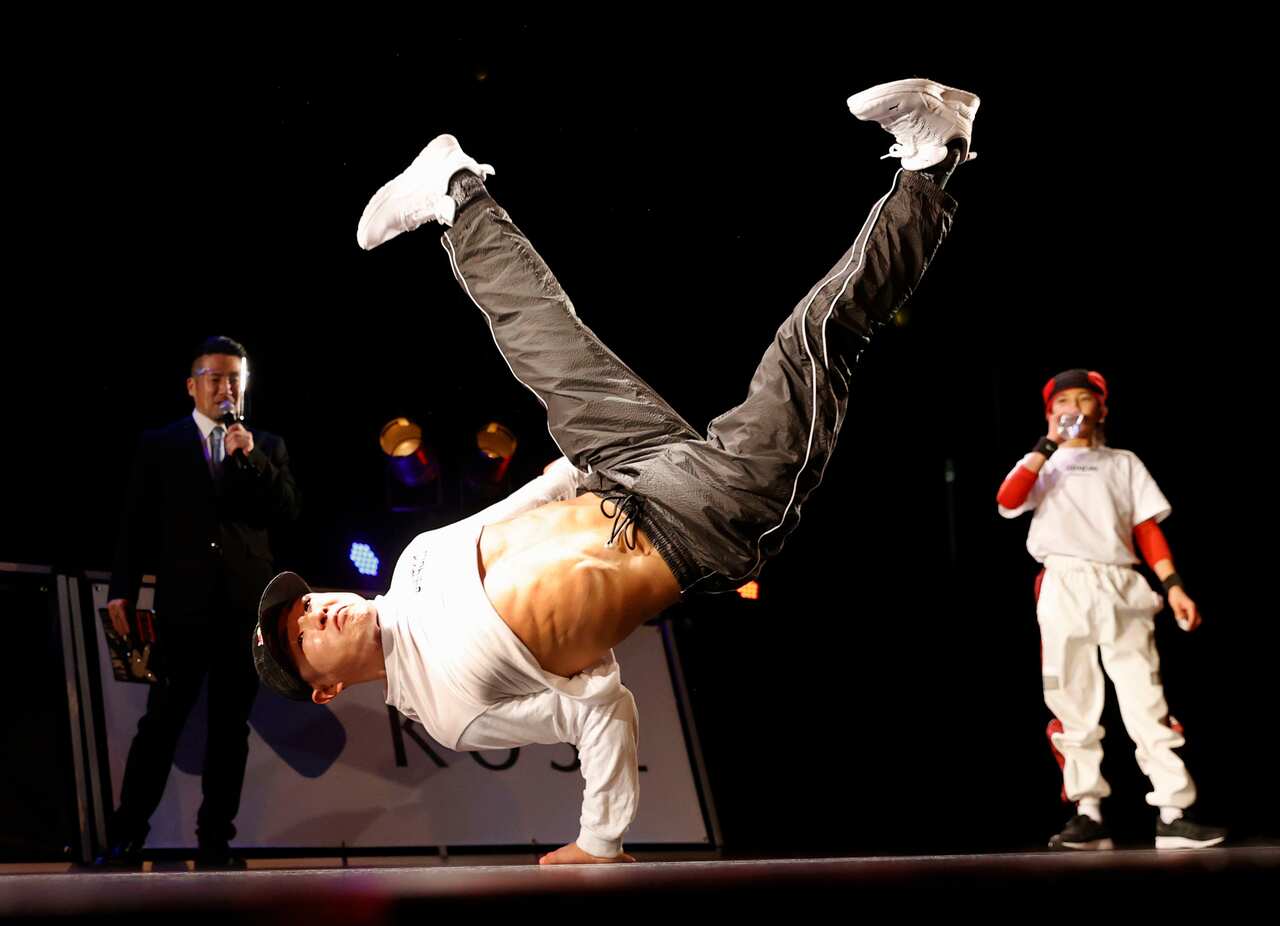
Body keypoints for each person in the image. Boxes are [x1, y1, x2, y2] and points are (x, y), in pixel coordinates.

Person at [253, 77, 976, 864]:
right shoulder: (453, 711)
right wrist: (598, 841)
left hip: (614, 469)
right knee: (812, 342)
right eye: (302, 636)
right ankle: (934, 163)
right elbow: (599, 709)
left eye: (308, 605)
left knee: (541, 339)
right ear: (326, 689)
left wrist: (581, 451)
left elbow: (523, 504)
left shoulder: (414, 561)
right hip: (698, 525)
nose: (317, 614)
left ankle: (456, 193)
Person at [997, 368, 1226, 850]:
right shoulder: (1043, 463)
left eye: (1084, 399)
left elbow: (1146, 528)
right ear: (1050, 412)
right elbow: (1007, 499)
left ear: (1102, 409)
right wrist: (1045, 445)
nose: (1074, 408)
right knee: (1071, 697)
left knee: (1146, 697)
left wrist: (1174, 585)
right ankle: (1088, 812)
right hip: (1064, 582)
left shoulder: (1123, 462)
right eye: (1063, 402)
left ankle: (1173, 811)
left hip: (1121, 583)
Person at [99, 336, 302, 869]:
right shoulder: (160, 444)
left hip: (244, 609)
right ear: (193, 386)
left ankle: (215, 844)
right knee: (160, 724)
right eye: (215, 378)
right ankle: (125, 838)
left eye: (234, 378)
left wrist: (251, 458)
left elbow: (287, 511)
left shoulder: (266, 445)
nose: (225, 388)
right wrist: (122, 587)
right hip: (183, 608)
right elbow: (135, 521)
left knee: (229, 731)